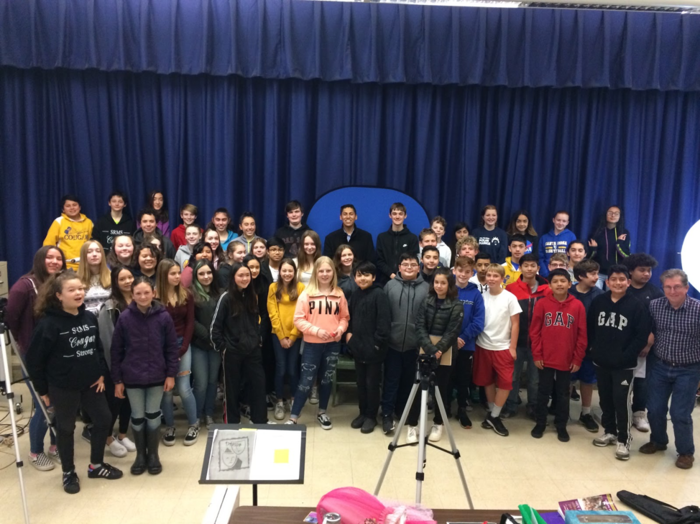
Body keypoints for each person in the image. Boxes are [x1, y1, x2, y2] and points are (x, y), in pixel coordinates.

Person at [27, 270, 123, 493]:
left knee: (103, 419)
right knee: (66, 428)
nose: (79, 293)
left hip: (91, 382)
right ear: (58, 295)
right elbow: (34, 361)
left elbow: (96, 348)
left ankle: (96, 465)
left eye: (81, 288)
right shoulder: (48, 324)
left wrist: (100, 373)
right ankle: (68, 472)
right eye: (72, 290)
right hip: (62, 386)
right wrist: (42, 390)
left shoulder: (89, 317)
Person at [111, 276, 178, 476]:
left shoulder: (164, 317)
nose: (142, 296)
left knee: (153, 415)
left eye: (146, 292)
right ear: (132, 295)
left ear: (154, 293)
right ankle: (141, 455)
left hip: (158, 375)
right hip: (132, 377)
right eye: (138, 293)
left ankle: (153, 455)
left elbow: (171, 348)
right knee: (137, 416)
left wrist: (171, 374)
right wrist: (117, 380)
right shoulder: (124, 318)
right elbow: (116, 351)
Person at [6, 246, 65, 471]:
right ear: (40, 260)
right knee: (44, 404)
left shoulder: (62, 283)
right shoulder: (24, 286)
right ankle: (35, 451)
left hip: (58, 353)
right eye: (49, 257)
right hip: (34, 355)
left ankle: (55, 445)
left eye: (58, 258)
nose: (54, 261)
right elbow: (11, 320)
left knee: (59, 402)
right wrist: (25, 342)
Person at [589, 265, 651, 461]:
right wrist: (593, 349)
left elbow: (641, 336)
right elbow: (591, 327)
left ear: (628, 282)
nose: (617, 283)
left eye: (621, 279)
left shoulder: (636, 304)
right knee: (605, 399)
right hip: (601, 361)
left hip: (624, 364)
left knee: (621, 401)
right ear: (607, 282)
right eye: (613, 279)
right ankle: (610, 431)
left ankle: (624, 439)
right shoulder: (599, 301)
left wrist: (626, 355)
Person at [641, 269, 700, 470]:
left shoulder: (698, 309)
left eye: (677, 287)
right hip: (661, 365)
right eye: (668, 287)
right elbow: (650, 330)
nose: (672, 291)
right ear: (663, 288)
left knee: (680, 413)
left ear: (686, 287)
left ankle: (685, 452)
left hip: (689, 369)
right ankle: (658, 441)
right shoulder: (655, 306)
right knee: (655, 409)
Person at [288, 257, 350, 428]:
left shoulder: (339, 293)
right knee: (306, 380)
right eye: (321, 271)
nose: (324, 274)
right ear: (316, 272)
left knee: (326, 379)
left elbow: (344, 317)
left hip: (333, 344)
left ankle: (322, 412)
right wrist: (316, 331)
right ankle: (294, 416)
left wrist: (340, 329)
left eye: (328, 271)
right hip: (312, 345)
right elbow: (298, 320)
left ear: (333, 272)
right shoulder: (306, 294)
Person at [405, 268, 463, 443]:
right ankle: (412, 425)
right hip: (425, 349)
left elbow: (452, 332)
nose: (439, 286)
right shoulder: (427, 300)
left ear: (449, 284)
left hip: (445, 353)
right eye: (436, 282)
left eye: (443, 283)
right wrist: (430, 349)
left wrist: (439, 350)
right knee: (417, 387)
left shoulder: (456, 305)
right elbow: (420, 325)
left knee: (440, 389)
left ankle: (438, 423)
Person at [529, 269, 587, 442]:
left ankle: (561, 425)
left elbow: (582, 335)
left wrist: (577, 358)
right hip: (545, 358)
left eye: (563, 281)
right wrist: (537, 354)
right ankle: (540, 422)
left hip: (567, 359)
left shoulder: (577, 306)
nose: (559, 284)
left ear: (570, 284)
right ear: (550, 285)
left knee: (563, 393)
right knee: (543, 391)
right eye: (555, 281)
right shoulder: (542, 304)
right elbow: (534, 332)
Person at [211, 263, 268, 424]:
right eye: (240, 275)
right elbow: (215, 328)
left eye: (247, 275)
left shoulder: (252, 295)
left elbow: (255, 322)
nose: (244, 279)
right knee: (232, 390)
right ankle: (232, 422)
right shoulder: (226, 297)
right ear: (233, 278)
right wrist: (224, 348)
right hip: (232, 352)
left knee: (258, 385)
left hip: (253, 351)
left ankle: (260, 420)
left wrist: (258, 339)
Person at [474, 264, 522, 437]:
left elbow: (516, 324)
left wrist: (513, 347)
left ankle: (494, 415)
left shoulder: (510, 298)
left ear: (502, 278)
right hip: (483, 345)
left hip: (503, 347)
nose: (492, 278)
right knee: (488, 381)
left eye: (496, 276)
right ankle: (492, 414)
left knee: (505, 382)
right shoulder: (481, 297)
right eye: (489, 275)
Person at [155, 260, 199, 446]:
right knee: (166, 390)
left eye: (178, 273)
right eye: (172, 273)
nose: (177, 277)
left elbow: (190, 323)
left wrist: (182, 348)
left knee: (183, 388)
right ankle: (170, 426)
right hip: (161, 348)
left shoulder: (186, 294)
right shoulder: (155, 297)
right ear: (163, 275)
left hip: (182, 345)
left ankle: (193, 424)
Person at [502, 254, 550, 419]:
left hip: (539, 343)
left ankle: (533, 406)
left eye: (533, 265)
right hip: (516, 341)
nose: (529, 269)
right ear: (520, 268)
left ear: (538, 268)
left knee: (534, 378)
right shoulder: (511, 289)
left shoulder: (547, 289)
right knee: (513, 376)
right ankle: (511, 404)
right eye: (526, 265)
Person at [96, 266, 137, 458]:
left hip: (136, 362)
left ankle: (122, 434)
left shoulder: (140, 299)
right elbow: (107, 339)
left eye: (130, 277)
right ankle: (108, 437)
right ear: (115, 282)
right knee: (114, 403)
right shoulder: (110, 306)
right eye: (123, 279)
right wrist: (114, 369)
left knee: (129, 401)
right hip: (117, 364)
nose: (128, 281)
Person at [346, 261, 391, 434]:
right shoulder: (356, 294)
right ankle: (362, 413)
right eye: (359, 274)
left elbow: (384, 324)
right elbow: (349, 318)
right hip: (358, 348)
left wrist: (376, 344)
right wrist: (350, 339)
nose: (362, 278)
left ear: (373, 277)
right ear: (355, 277)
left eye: (366, 275)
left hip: (374, 350)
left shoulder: (379, 294)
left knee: (372, 384)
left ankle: (371, 416)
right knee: (361, 383)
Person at [624, 253, 664, 433]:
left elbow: (660, 320)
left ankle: (639, 413)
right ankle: (619, 412)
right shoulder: (622, 290)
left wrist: (649, 341)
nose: (646, 274)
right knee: (621, 381)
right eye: (642, 270)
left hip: (645, 348)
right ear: (631, 271)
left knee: (642, 381)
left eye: (649, 270)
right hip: (624, 345)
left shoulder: (655, 293)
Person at [268, 259, 305, 420]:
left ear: (294, 272)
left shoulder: (301, 288)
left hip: (295, 335)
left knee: (292, 368)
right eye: (284, 270)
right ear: (279, 272)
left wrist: (293, 336)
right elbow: (273, 313)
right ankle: (279, 401)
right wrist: (282, 336)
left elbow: (302, 313)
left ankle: (293, 400)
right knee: (281, 368)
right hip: (278, 335)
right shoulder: (273, 287)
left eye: (290, 271)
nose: (287, 273)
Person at [569, 260, 604, 432]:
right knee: (567, 379)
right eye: (592, 274)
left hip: (590, 346)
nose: (596, 277)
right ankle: (563, 410)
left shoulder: (600, 295)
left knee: (587, 380)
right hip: (568, 345)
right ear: (581, 276)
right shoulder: (568, 293)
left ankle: (586, 413)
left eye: (597, 274)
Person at [452, 257, 485, 429]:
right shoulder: (448, 290)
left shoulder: (475, 294)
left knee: (463, 379)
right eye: (460, 271)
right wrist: (450, 339)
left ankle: (462, 410)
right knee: (446, 378)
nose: (463, 275)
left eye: (467, 272)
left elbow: (478, 322)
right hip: (447, 344)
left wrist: (463, 338)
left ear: (472, 273)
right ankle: (442, 409)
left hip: (466, 345)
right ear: (454, 271)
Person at [189, 260, 222, 429]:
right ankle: (196, 416)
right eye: (201, 273)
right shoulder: (190, 294)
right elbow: (191, 322)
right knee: (200, 383)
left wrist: (215, 338)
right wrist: (208, 336)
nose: (206, 276)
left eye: (209, 273)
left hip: (215, 346)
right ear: (195, 276)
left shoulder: (220, 293)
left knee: (212, 381)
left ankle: (209, 414)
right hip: (199, 345)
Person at [243, 254, 275, 412]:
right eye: (251, 267)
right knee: (247, 370)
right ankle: (247, 401)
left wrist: (261, 334)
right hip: (244, 333)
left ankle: (265, 395)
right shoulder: (240, 284)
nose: (254, 270)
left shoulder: (265, 284)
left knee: (266, 364)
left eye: (257, 267)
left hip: (262, 331)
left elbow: (266, 312)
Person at [43, 194, 94, 270]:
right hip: (65, 266)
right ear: (63, 209)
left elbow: (93, 243)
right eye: (68, 206)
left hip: (85, 265)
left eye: (74, 205)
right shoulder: (59, 222)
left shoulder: (88, 222)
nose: (72, 208)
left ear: (79, 207)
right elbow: (48, 245)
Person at [376, 203, 420, 283]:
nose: (397, 216)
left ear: (405, 216)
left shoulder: (412, 238)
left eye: (400, 214)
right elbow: (379, 261)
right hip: (385, 281)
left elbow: (413, 260)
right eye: (394, 214)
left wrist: (402, 275)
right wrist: (391, 275)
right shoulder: (382, 237)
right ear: (390, 215)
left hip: (406, 280)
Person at [589, 206, 631, 289]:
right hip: (598, 273)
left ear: (620, 216)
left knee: (613, 298)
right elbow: (589, 257)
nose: (613, 215)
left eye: (616, 214)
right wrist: (593, 249)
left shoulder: (623, 233)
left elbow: (626, 256)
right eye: (610, 213)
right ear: (605, 215)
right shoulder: (597, 232)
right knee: (596, 297)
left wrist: (619, 243)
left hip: (616, 273)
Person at [77, 240, 112, 314]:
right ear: (83, 256)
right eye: (89, 252)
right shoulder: (76, 280)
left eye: (98, 251)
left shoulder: (113, 277)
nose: (94, 254)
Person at [539, 211, 576, 278]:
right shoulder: (544, 238)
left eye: (564, 221)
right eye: (558, 220)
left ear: (567, 223)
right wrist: (545, 273)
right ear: (553, 220)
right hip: (546, 275)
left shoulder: (571, 236)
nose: (560, 223)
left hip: (565, 274)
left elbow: (572, 257)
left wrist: (567, 272)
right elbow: (540, 258)